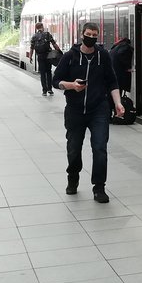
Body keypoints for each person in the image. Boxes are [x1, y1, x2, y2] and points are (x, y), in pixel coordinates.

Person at [50, 23, 123, 203]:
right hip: (75, 110)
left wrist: (118, 103)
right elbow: (55, 81)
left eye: (94, 35)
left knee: (100, 148)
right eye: (88, 34)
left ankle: (99, 187)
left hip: (99, 109)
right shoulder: (69, 57)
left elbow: (112, 82)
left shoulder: (103, 56)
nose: (91, 37)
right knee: (74, 149)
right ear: (82, 35)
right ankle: (73, 177)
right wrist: (71, 86)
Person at [27, 22, 62, 96]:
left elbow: (32, 48)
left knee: (42, 73)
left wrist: (30, 56)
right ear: (42, 27)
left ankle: (44, 91)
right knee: (48, 72)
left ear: (36, 28)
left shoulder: (34, 36)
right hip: (48, 55)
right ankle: (50, 89)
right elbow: (54, 44)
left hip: (40, 56)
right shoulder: (47, 34)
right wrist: (59, 51)